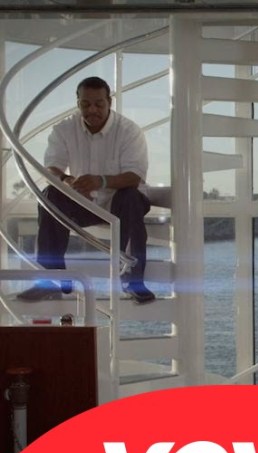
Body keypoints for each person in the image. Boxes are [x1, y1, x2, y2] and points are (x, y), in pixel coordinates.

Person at [17, 76, 155, 304]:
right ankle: (51, 280)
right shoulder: (64, 129)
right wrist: (67, 180)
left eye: (98, 104)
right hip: (81, 202)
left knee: (131, 197)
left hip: (119, 205)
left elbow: (135, 176)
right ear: (78, 103)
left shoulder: (129, 131)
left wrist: (101, 181)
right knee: (50, 195)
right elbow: (51, 168)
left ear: (109, 102)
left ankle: (133, 281)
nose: (92, 110)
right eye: (85, 104)